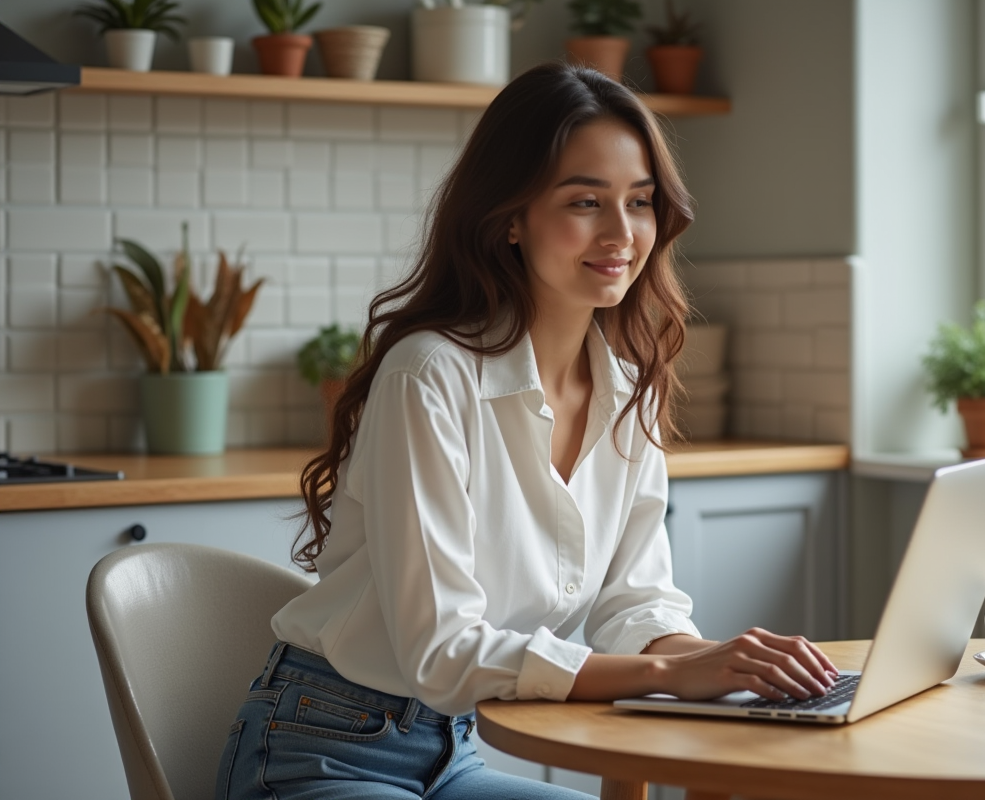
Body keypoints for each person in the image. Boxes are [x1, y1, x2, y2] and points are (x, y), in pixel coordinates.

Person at [216, 61, 837, 800]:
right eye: (585, 201)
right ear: (510, 217)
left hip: (456, 753)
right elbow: (442, 652)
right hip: (320, 748)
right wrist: (671, 673)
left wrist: (726, 663)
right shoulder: (430, 375)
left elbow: (633, 605)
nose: (621, 233)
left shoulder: (628, 390)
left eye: (639, 202)